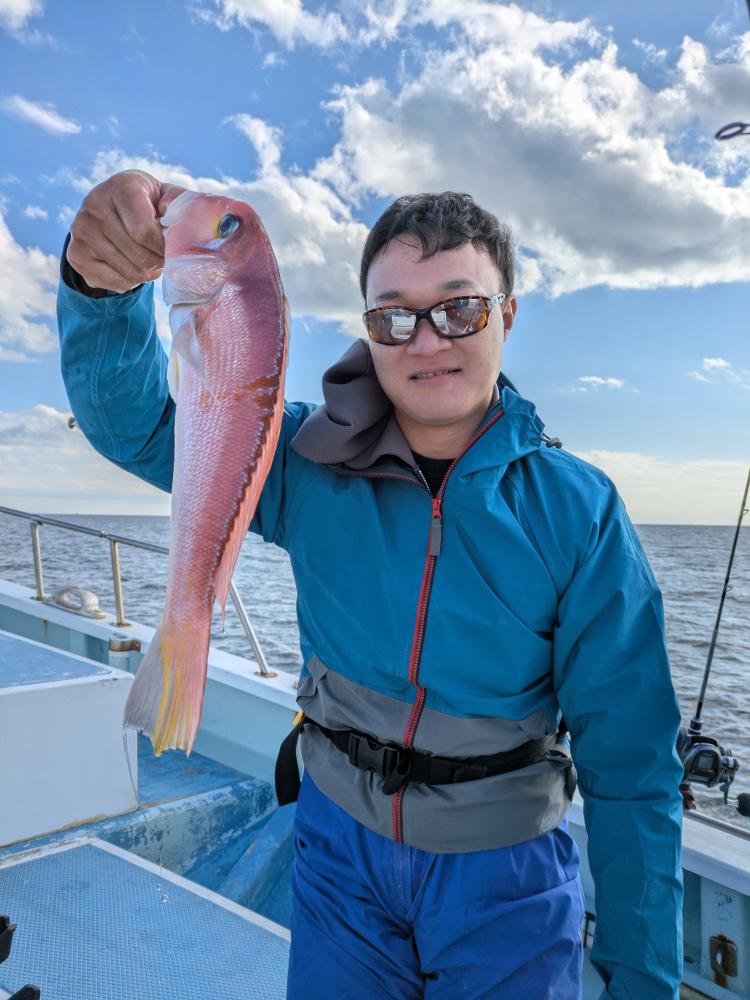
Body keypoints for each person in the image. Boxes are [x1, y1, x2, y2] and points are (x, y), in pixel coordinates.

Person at [58, 169, 684, 999]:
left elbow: (631, 757)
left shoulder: (577, 510)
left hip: (504, 877)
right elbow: (137, 425)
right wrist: (100, 292)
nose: (426, 342)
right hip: (338, 854)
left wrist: (641, 977)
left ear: (507, 316)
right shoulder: (305, 462)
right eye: (394, 318)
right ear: (369, 329)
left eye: (459, 310)